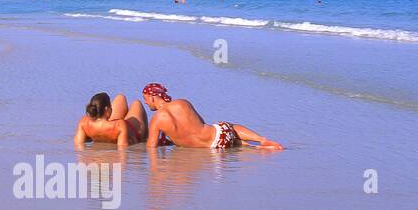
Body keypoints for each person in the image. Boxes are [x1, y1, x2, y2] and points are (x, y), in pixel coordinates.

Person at [142, 83, 283, 151]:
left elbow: (151, 147)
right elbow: (201, 123)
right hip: (219, 135)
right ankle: (261, 139)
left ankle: (255, 148)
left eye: (146, 99)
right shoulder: (182, 103)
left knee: (233, 145)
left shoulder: (156, 121)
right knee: (228, 127)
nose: (145, 102)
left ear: (152, 97)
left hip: (210, 149)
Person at [73, 92, 148, 151]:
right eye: (110, 107)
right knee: (136, 103)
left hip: (105, 127)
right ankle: (146, 138)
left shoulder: (84, 122)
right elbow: (122, 149)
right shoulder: (119, 125)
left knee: (120, 98)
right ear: (106, 109)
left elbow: (78, 145)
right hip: (127, 131)